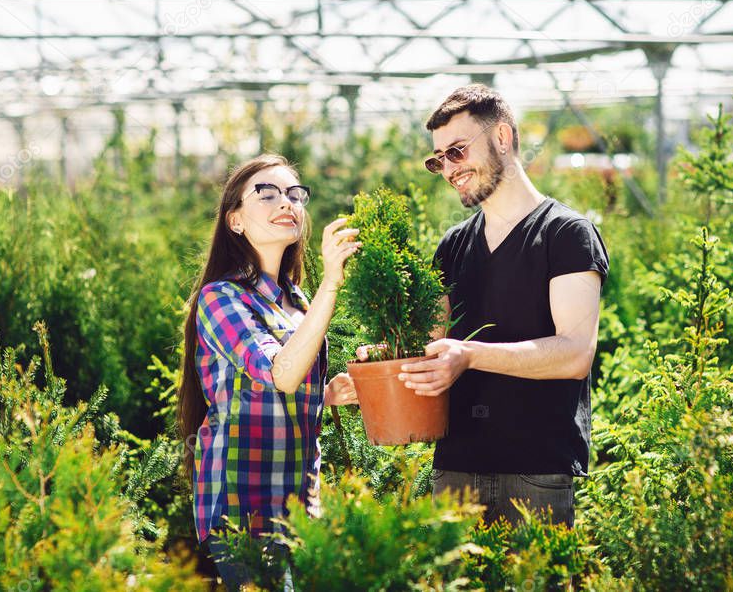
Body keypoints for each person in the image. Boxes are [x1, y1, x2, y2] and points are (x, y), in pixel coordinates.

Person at [384, 84, 609, 527]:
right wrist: (379, 364)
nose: (449, 168)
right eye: (438, 159)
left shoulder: (567, 235)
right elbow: (429, 345)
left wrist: (468, 356)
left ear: (502, 138)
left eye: (458, 151)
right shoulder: (452, 245)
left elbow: (576, 353)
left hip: (537, 471)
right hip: (456, 467)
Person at [176, 154, 361, 589]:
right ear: (235, 220)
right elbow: (279, 373)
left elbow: (288, 382)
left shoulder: (298, 302)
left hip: (299, 505)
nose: (288, 203)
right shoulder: (220, 298)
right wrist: (332, 282)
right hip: (243, 509)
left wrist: (325, 393)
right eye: (268, 194)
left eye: (296, 195)